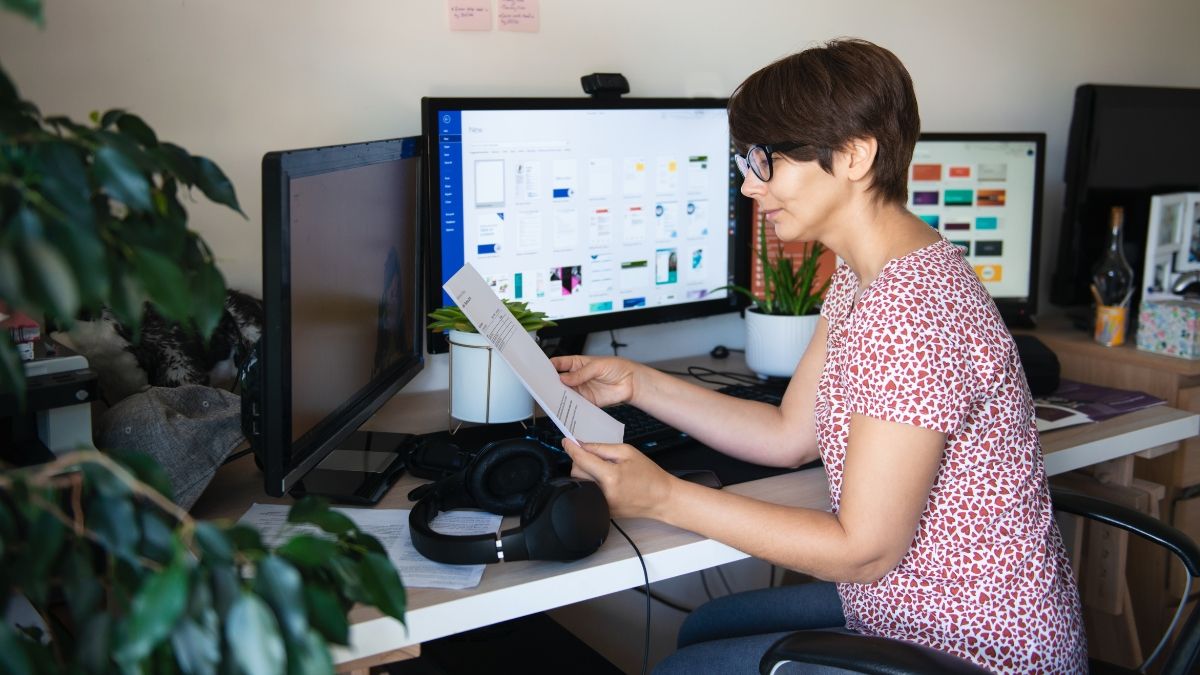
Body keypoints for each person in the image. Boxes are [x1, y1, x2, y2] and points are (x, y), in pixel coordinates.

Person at [553, 38, 1087, 674]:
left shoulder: (911, 313)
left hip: (972, 651)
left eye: (764, 162)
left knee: (678, 668)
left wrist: (663, 497)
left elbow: (864, 551)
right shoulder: (869, 274)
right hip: (907, 609)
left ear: (856, 155)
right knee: (706, 625)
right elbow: (787, 436)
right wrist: (639, 384)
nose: (751, 187)